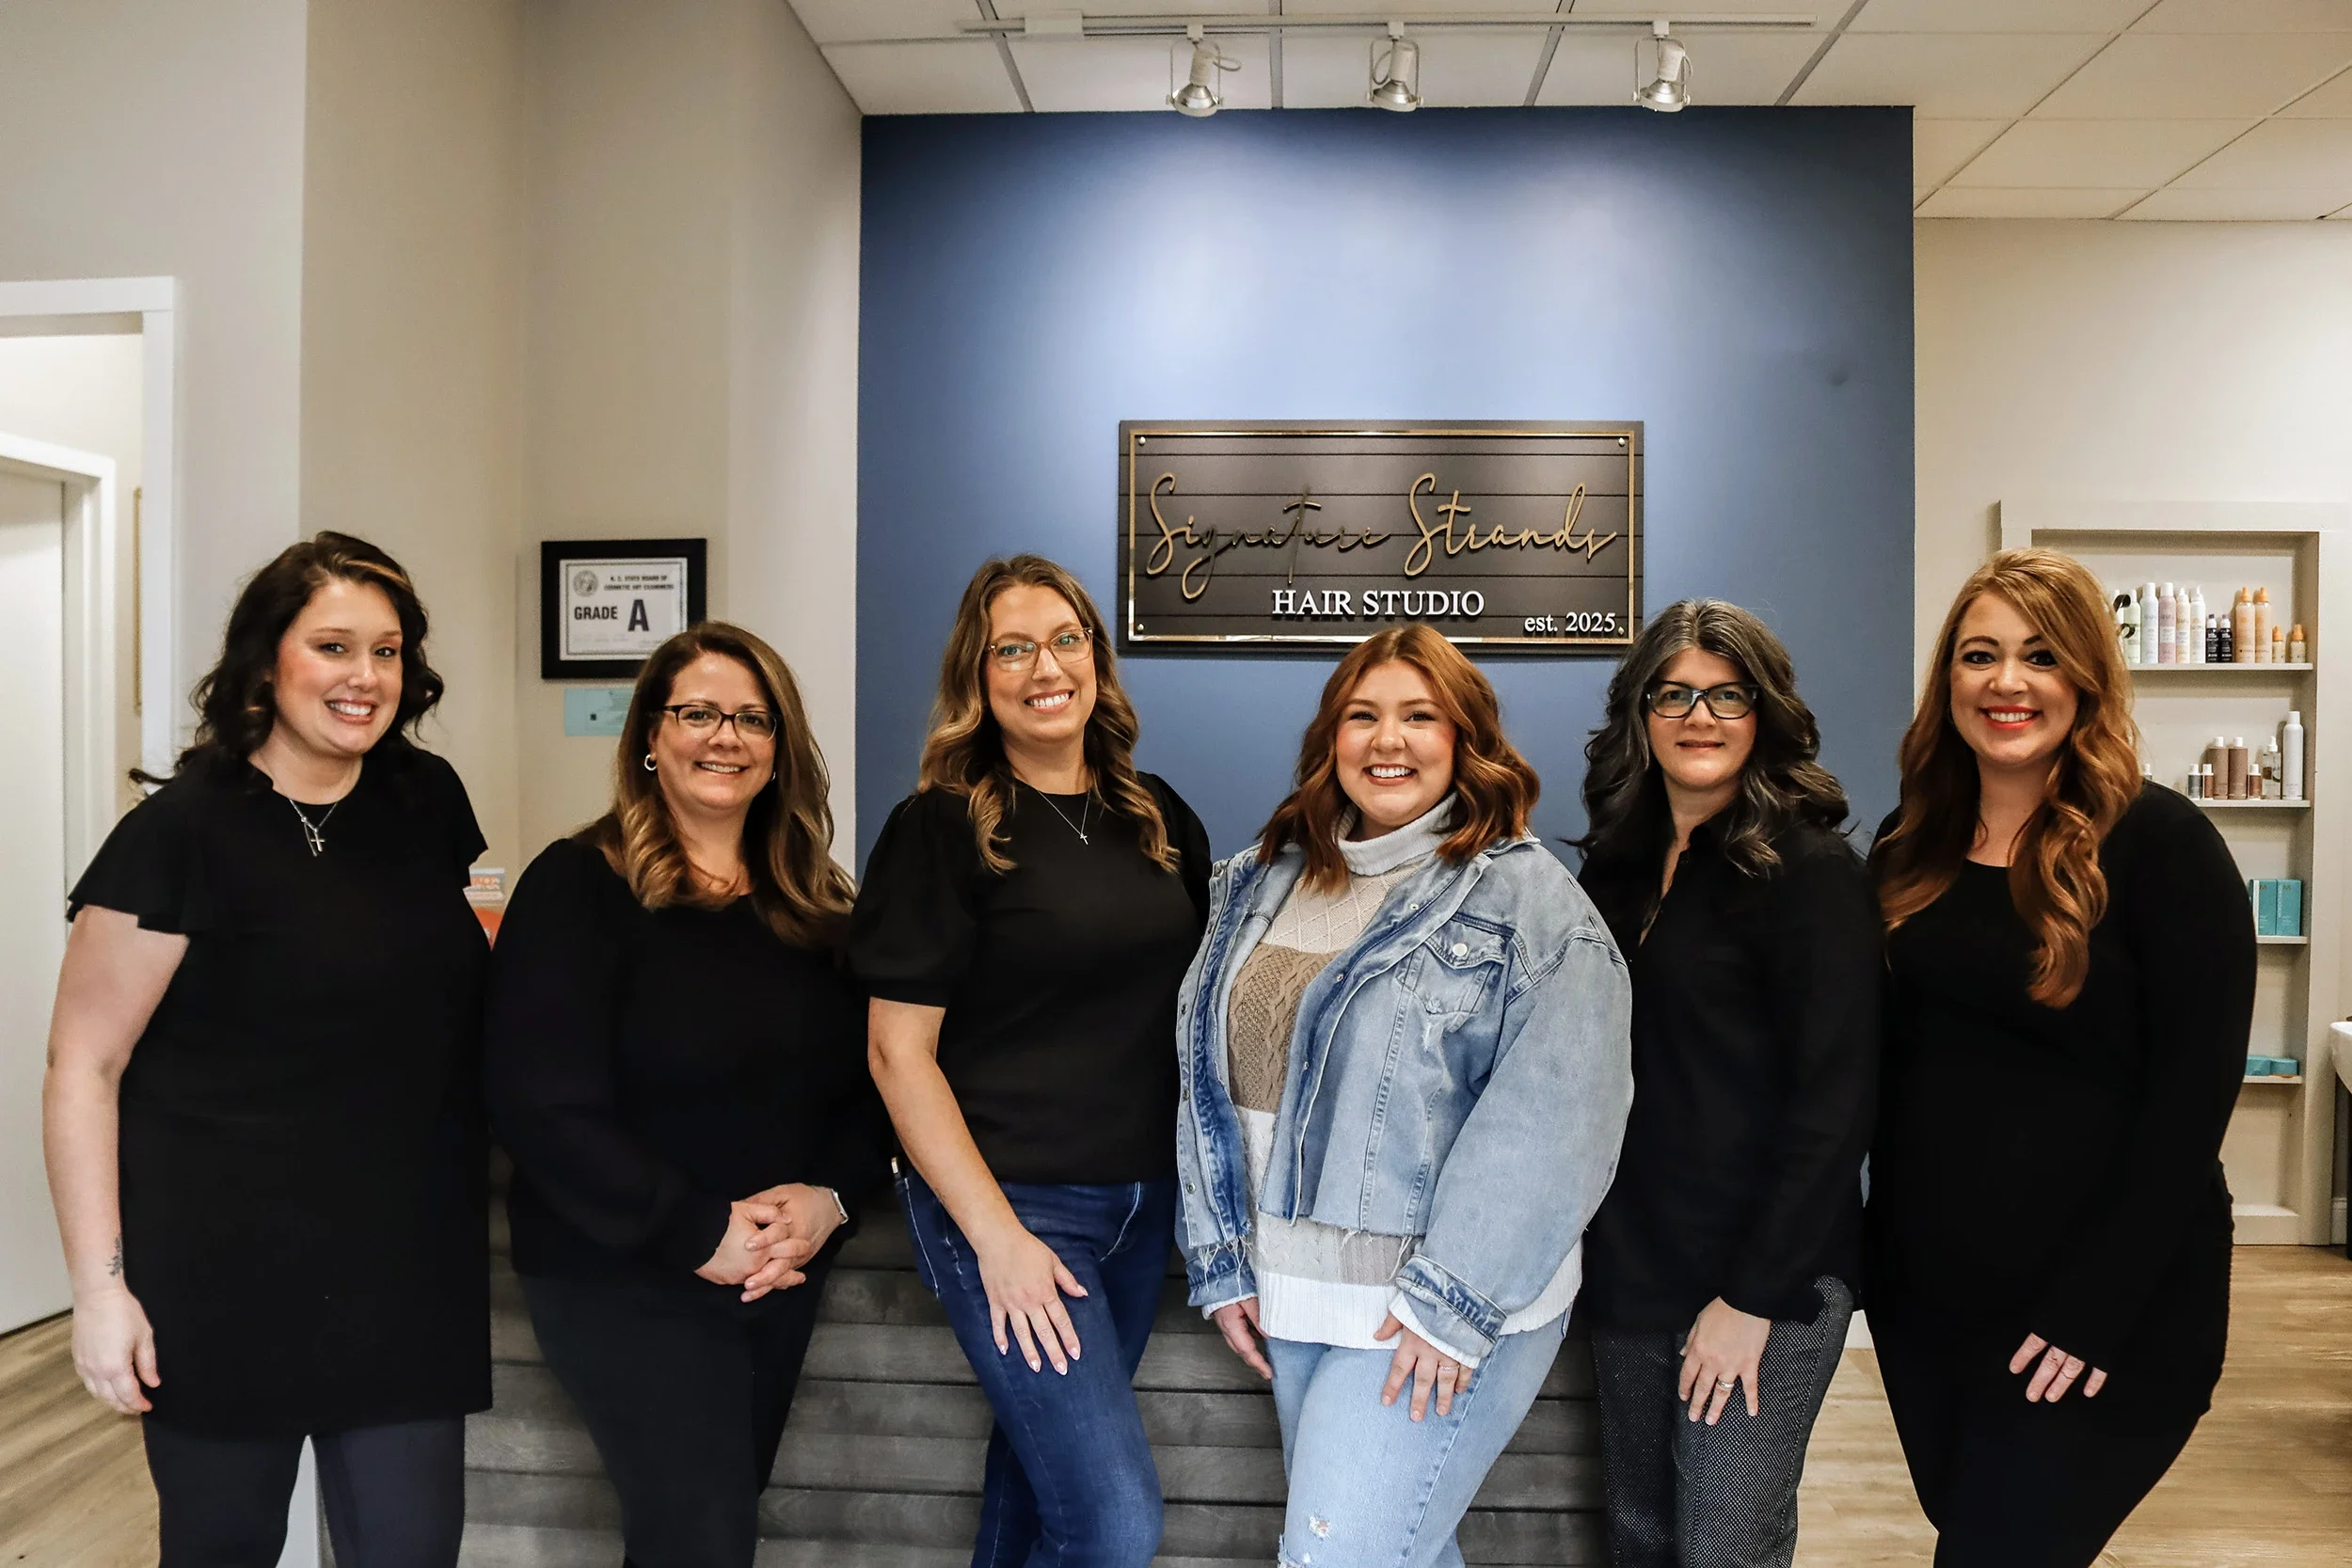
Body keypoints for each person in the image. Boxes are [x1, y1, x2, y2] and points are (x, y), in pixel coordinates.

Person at [41, 532, 489, 1568]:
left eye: (387, 650)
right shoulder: (178, 834)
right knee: (222, 1548)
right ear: (265, 660)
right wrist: (101, 1291)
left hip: (403, 1266)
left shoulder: (427, 803)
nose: (365, 677)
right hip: (219, 1275)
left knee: (410, 1551)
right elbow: (83, 1066)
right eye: (333, 645)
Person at [1176, 624, 1633, 1568]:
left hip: (1426, 1302)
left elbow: (1561, 1117)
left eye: (1420, 716)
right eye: (1363, 715)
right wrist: (1222, 1254)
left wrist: (1451, 1303)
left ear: (1465, 739)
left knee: (1334, 1556)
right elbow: (1205, 1076)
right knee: (1400, 1551)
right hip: (1292, 1287)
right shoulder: (1259, 879)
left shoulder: (1528, 902)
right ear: (1329, 739)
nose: (1389, 740)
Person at [1867, 548, 2255, 1566]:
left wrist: (2094, 1310)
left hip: (2102, 1311)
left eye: (2040, 655)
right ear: (1946, 678)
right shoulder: (1906, 844)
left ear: (2085, 676)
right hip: (1931, 1305)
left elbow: (2191, 1099)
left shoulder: (2163, 846)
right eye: (1979, 653)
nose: (2006, 681)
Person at [486, 623, 882, 1568]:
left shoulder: (817, 903)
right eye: (698, 712)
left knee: (705, 1527)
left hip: (770, 1275)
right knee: (701, 1534)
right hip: (620, 1269)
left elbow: (873, 1087)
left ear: (779, 748)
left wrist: (829, 1198)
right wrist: (694, 1227)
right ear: (651, 738)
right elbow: (538, 1100)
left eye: (752, 717)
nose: (725, 736)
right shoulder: (578, 884)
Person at [852, 554, 1212, 1568]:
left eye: (1064, 639)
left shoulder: (1156, 815)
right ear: (979, 676)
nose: (1042, 665)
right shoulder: (943, 825)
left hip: (1140, 1208)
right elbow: (896, 1052)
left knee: (1033, 1487)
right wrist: (996, 1234)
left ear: (1095, 658)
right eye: (1012, 647)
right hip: (1010, 1204)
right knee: (1110, 1522)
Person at [1573, 600, 1881, 1568]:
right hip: (1633, 1262)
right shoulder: (1613, 875)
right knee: (1639, 1533)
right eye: (1673, 692)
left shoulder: (1810, 870)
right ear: (1640, 713)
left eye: (1726, 694)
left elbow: (1836, 1103)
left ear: (1764, 713)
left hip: (1768, 1276)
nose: (1697, 714)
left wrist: (1749, 1297)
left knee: (1721, 1544)